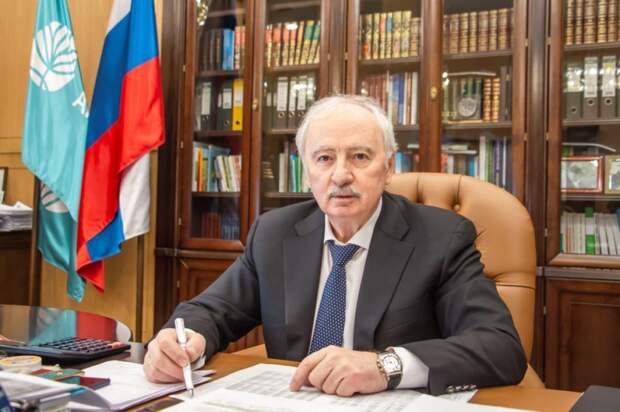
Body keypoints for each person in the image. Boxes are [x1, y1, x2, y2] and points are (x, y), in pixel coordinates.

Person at [143, 95, 527, 396]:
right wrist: (183, 342)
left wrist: (385, 367)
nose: (341, 175)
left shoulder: (442, 238)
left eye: (360, 156)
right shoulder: (275, 233)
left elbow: (499, 348)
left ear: (388, 167)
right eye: (325, 158)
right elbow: (211, 311)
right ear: (307, 170)